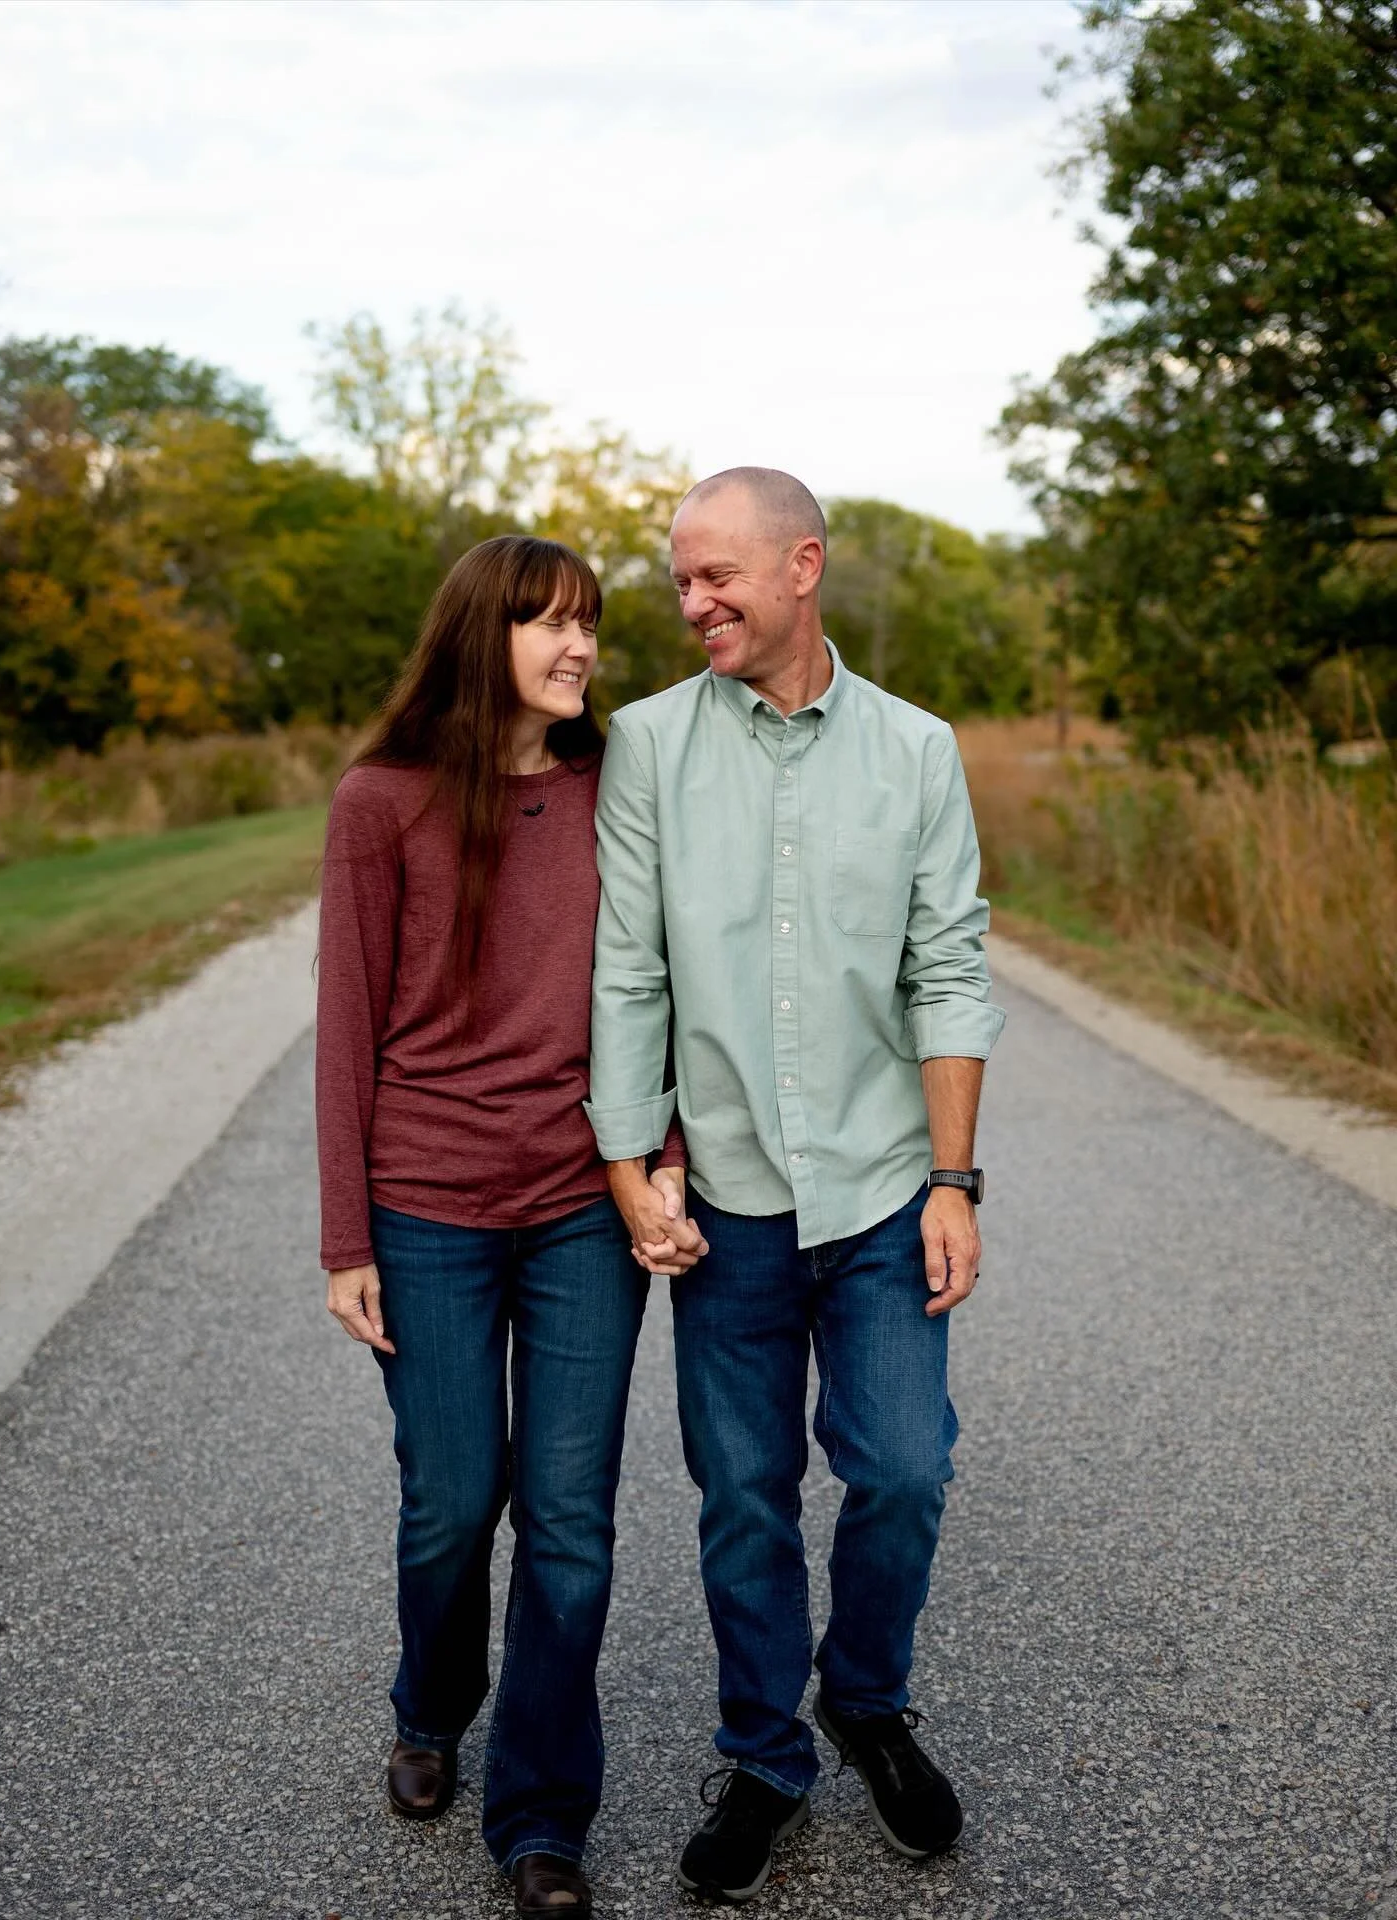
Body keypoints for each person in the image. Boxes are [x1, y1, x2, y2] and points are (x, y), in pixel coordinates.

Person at [586, 468, 1005, 1905]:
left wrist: (955, 1179)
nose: (692, 602)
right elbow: (628, 967)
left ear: (804, 566)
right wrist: (634, 1161)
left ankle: (866, 1698)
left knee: (903, 1470)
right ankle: (765, 1756)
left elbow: (950, 965)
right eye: (682, 581)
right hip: (733, 1207)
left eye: (719, 577)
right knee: (745, 1496)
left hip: (887, 1187)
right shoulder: (645, 746)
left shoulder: (916, 751)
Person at [315, 534, 702, 1919]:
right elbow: (347, 1031)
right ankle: (431, 1702)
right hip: (424, 1204)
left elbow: (657, 982)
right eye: (548, 624)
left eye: (591, 623)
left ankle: (541, 1817)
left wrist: (656, 1158)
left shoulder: (619, 792)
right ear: (484, 637)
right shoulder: (383, 802)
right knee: (449, 1503)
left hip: (581, 1207)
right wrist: (342, 1236)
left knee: (571, 1524)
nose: (581, 646)